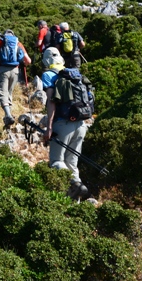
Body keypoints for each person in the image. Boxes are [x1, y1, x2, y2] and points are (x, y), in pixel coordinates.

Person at [41, 47, 89, 199]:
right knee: (72, 164)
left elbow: (51, 102)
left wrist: (49, 127)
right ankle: (76, 200)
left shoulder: (48, 75)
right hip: (81, 125)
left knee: (56, 161)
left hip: (62, 125)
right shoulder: (75, 74)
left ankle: (74, 185)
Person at [0, 29, 31, 127]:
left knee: (2, 92)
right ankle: (9, 116)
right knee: (9, 92)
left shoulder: (0, 42)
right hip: (15, 70)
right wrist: (22, 64)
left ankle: (8, 115)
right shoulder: (18, 43)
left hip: (3, 70)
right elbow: (28, 61)